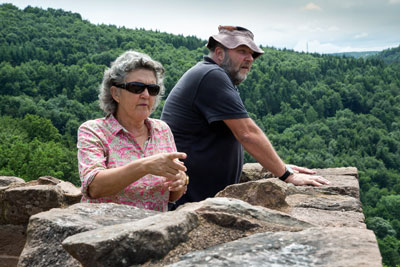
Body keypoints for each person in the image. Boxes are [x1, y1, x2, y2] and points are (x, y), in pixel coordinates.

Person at [161, 26, 329, 207]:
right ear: (219, 53)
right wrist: (287, 175)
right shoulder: (211, 75)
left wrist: (279, 166)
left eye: (252, 54)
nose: (249, 58)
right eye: (242, 51)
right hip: (188, 200)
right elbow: (247, 133)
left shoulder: (211, 75)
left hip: (195, 197)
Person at [77, 50, 188, 212]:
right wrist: (145, 166)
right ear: (115, 93)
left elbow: (171, 196)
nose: (145, 95)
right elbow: (94, 187)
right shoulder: (94, 131)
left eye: (152, 89)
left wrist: (181, 181)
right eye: (136, 87)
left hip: (156, 231)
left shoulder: (162, 130)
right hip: (105, 231)